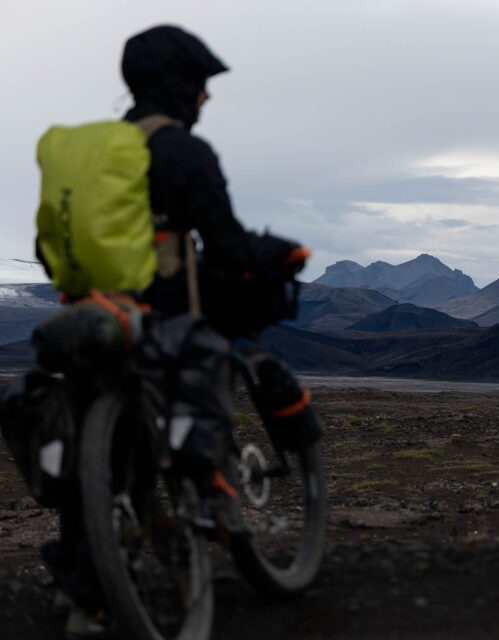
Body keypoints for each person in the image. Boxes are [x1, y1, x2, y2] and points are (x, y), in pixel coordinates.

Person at [40, 25, 305, 637]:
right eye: (201, 85)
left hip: (94, 324)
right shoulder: (184, 153)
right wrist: (283, 252)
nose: (207, 98)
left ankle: (85, 591)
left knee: (93, 455)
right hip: (163, 326)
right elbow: (230, 244)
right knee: (201, 366)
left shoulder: (90, 155)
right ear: (179, 85)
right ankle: (212, 502)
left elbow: (48, 245)